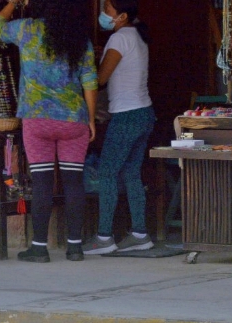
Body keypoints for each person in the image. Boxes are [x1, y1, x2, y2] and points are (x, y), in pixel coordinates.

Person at [0, 0, 98, 263]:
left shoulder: (26, 30)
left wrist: (13, 3)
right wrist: (91, 119)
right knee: (74, 181)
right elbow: (90, 81)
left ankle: (39, 247)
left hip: (37, 119)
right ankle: (74, 247)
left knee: (41, 182)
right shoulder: (79, 40)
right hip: (74, 119)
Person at [83, 0, 157, 255]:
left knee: (107, 173)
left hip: (126, 115)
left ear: (122, 15)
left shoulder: (119, 39)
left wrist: (87, 60)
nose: (104, 14)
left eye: (108, 11)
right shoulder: (136, 34)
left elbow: (100, 79)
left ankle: (104, 237)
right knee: (131, 173)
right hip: (144, 113)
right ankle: (139, 233)